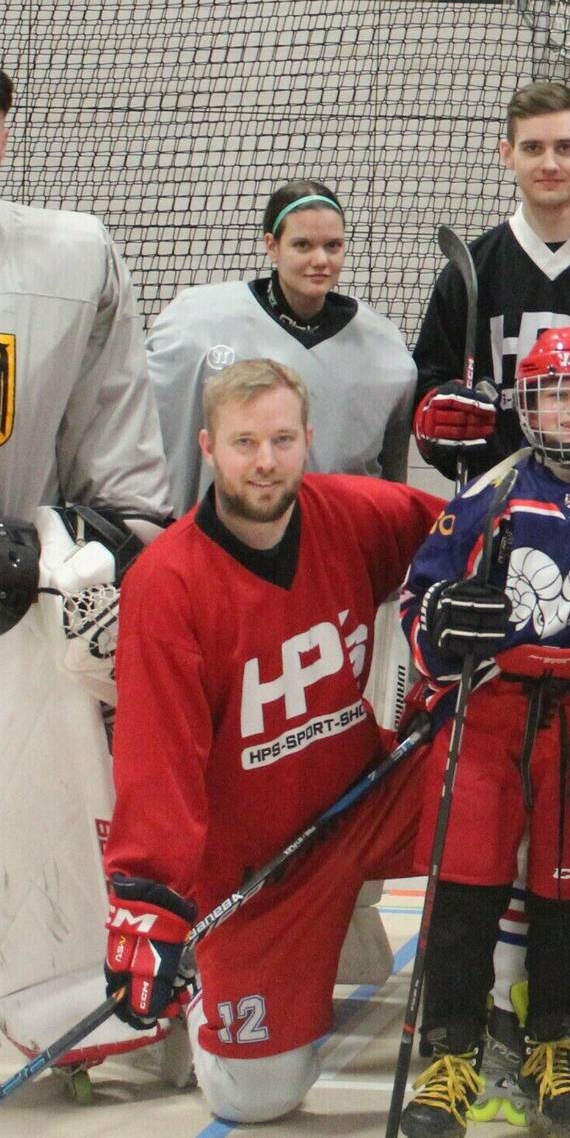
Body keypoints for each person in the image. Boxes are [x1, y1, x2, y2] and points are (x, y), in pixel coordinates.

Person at [100, 359, 442, 1124]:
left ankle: (521, 1007)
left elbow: (465, 538)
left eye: (282, 439)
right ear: (210, 447)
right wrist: (151, 904)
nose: (265, 460)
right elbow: (159, 765)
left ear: (307, 440)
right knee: (256, 1098)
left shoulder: (354, 513)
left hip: (368, 795)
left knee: (512, 780)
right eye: (245, 441)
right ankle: (219, 993)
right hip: (260, 868)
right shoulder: (167, 583)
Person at [395, 327, 570, 1137]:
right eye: (557, 393)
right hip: (487, 708)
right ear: (530, 404)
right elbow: (422, 598)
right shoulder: (490, 491)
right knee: (464, 880)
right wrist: (444, 625)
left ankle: (555, 1038)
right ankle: (451, 1050)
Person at [0, 63, 177, 1081]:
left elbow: (128, 490)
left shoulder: (70, 255)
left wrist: (53, 539)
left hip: (21, 632)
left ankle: (72, 1015)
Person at [410, 81, 570, 483]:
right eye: (533, 148)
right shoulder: (471, 270)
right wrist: (434, 418)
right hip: (497, 500)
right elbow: (431, 380)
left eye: (564, 147)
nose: (549, 163)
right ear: (507, 154)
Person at [147, 179, 417, 506]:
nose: (320, 260)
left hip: (329, 539)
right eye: (302, 245)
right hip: (214, 535)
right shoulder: (194, 322)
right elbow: (146, 428)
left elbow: (391, 479)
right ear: (272, 246)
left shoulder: (383, 350)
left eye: (333, 245)